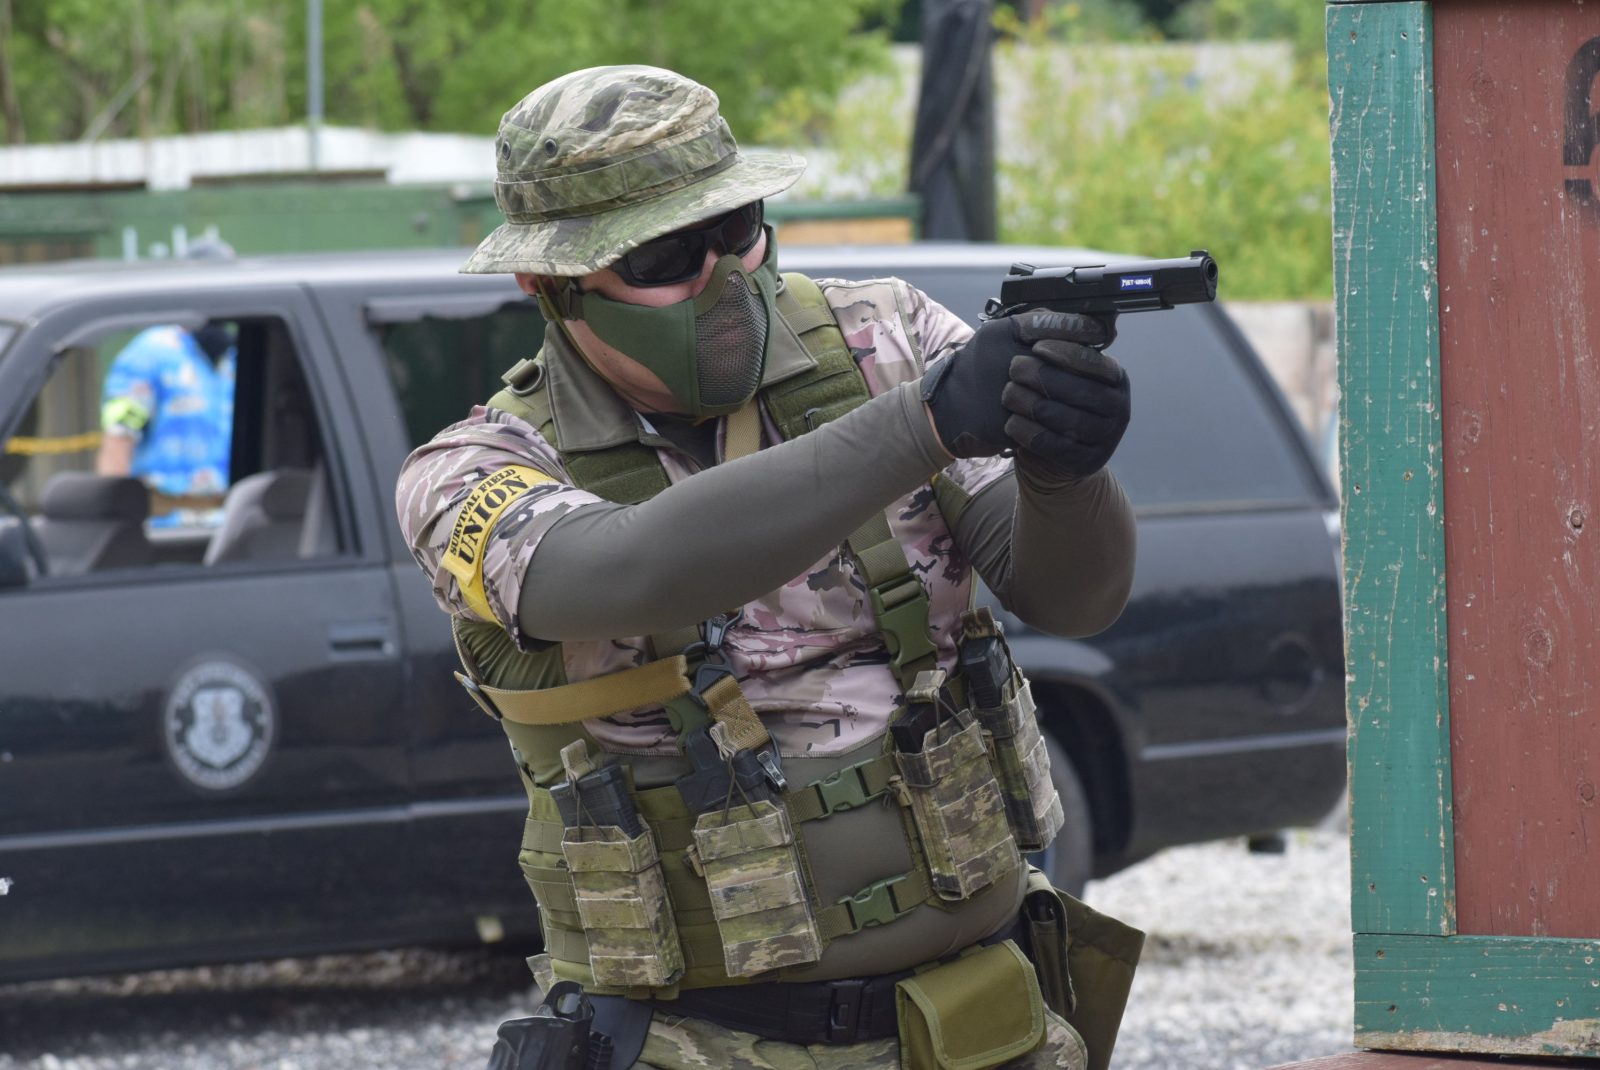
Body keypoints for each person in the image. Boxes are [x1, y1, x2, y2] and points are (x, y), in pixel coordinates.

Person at [396, 65, 1142, 1070]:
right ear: (549, 283)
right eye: (665, 255)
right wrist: (924, 422)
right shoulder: (473, 470)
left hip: (980, 1023)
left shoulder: (886, 338)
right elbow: (628, 569)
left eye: (736, 227)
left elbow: (1076, 595)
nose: (722, 278)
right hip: (701, 1042)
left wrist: (1065, 463)